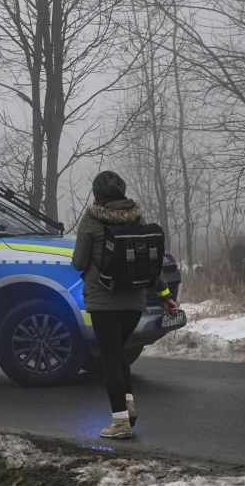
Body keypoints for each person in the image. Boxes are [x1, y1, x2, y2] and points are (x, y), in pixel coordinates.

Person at [71, 171, 179, 439]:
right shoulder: (137, 218)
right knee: (118, 353)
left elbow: (78, 262)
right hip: (134, 303)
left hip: (103, 302)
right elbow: (151, 267)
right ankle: (127, 402)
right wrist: (166, 296)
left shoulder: (91, 220)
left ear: (97, 194)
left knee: (109, 359)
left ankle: (120, 422)